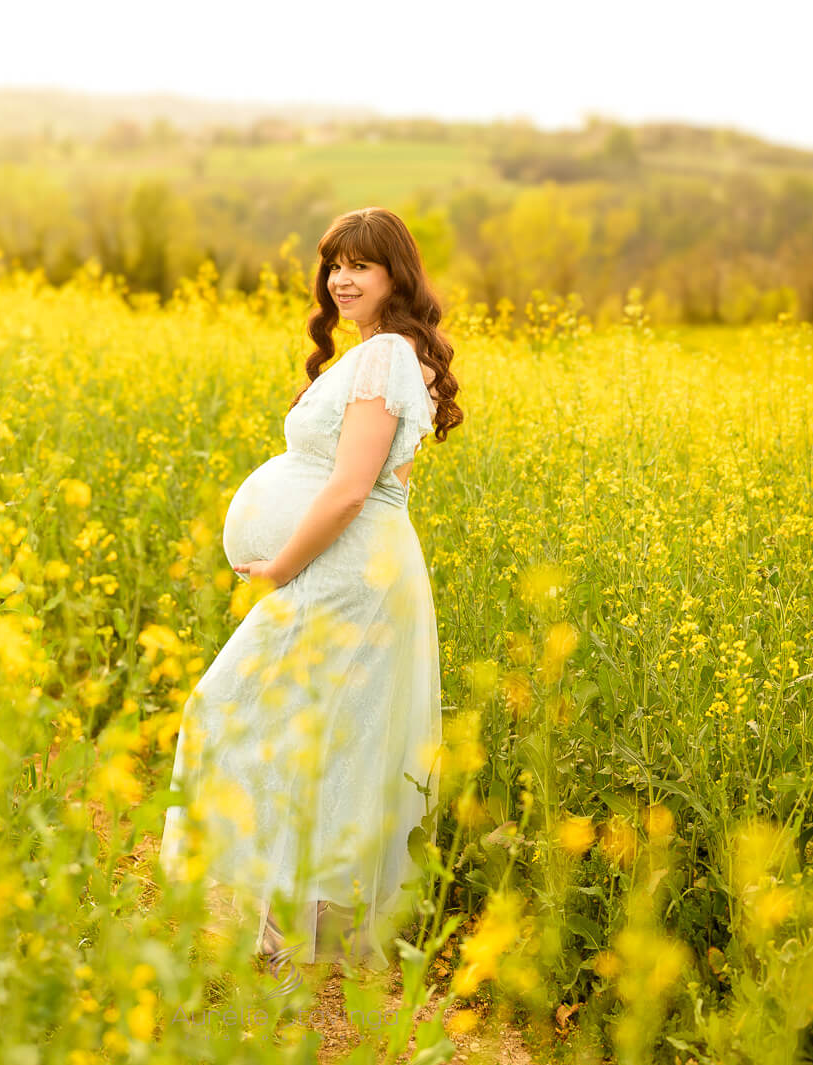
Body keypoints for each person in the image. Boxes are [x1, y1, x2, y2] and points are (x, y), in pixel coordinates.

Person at [158, 206, 463, 969]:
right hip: (355, 570)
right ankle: (287, 925)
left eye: (361, 265)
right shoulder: (385, 354)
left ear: (396, 273)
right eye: (335, 265)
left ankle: (273, 931)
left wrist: (279, 566)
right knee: (314, 735)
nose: (342, 279)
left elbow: (354, 488)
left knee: (232, 708)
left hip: (343, 575)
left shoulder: (386, 355)